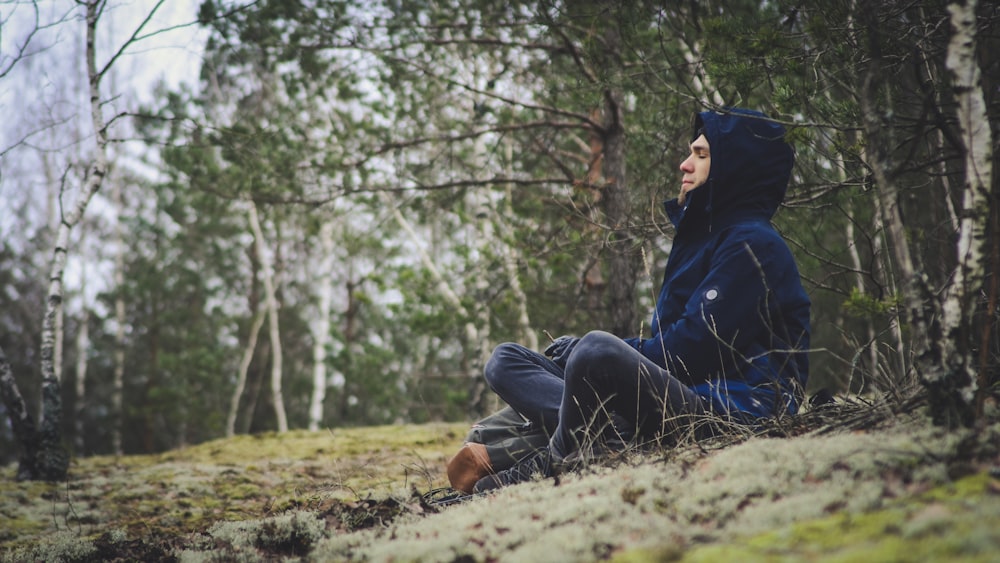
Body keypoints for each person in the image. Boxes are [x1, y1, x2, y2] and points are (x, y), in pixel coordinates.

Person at [450, 107, 811, 493]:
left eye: (701, 155)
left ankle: (550, 458)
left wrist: (598, 354)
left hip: (730, 410)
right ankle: (604, 436)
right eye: (691, 153)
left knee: (595, 351)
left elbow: (688, 355)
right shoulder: (703, 240)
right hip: (680, 397)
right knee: (507, 359)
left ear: (736, 167)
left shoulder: (754, 246)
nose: (684, 164)